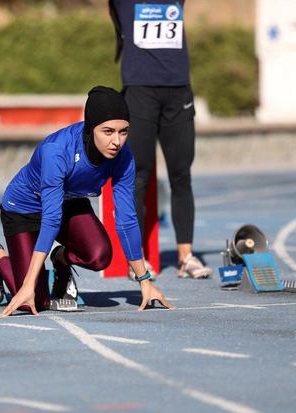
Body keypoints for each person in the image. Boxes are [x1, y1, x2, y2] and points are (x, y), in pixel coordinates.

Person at [0, 86, 174, 317]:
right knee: (33, 300)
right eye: (108, 131)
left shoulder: (123, 158)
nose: (117, 141)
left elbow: (127, 220)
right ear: (90, 129)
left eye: (123, 131)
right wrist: (28, 285)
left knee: (100, 256)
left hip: (70, 202)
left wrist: (144, 281)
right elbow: (51, 218)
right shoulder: (56, 151)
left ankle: (60, 258)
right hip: (24, 210)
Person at [109, 0, 212, 279]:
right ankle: (137, 260)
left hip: (178, 92)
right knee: (138, 175)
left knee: (181, 175)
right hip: (139, 91)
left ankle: (186, 258)